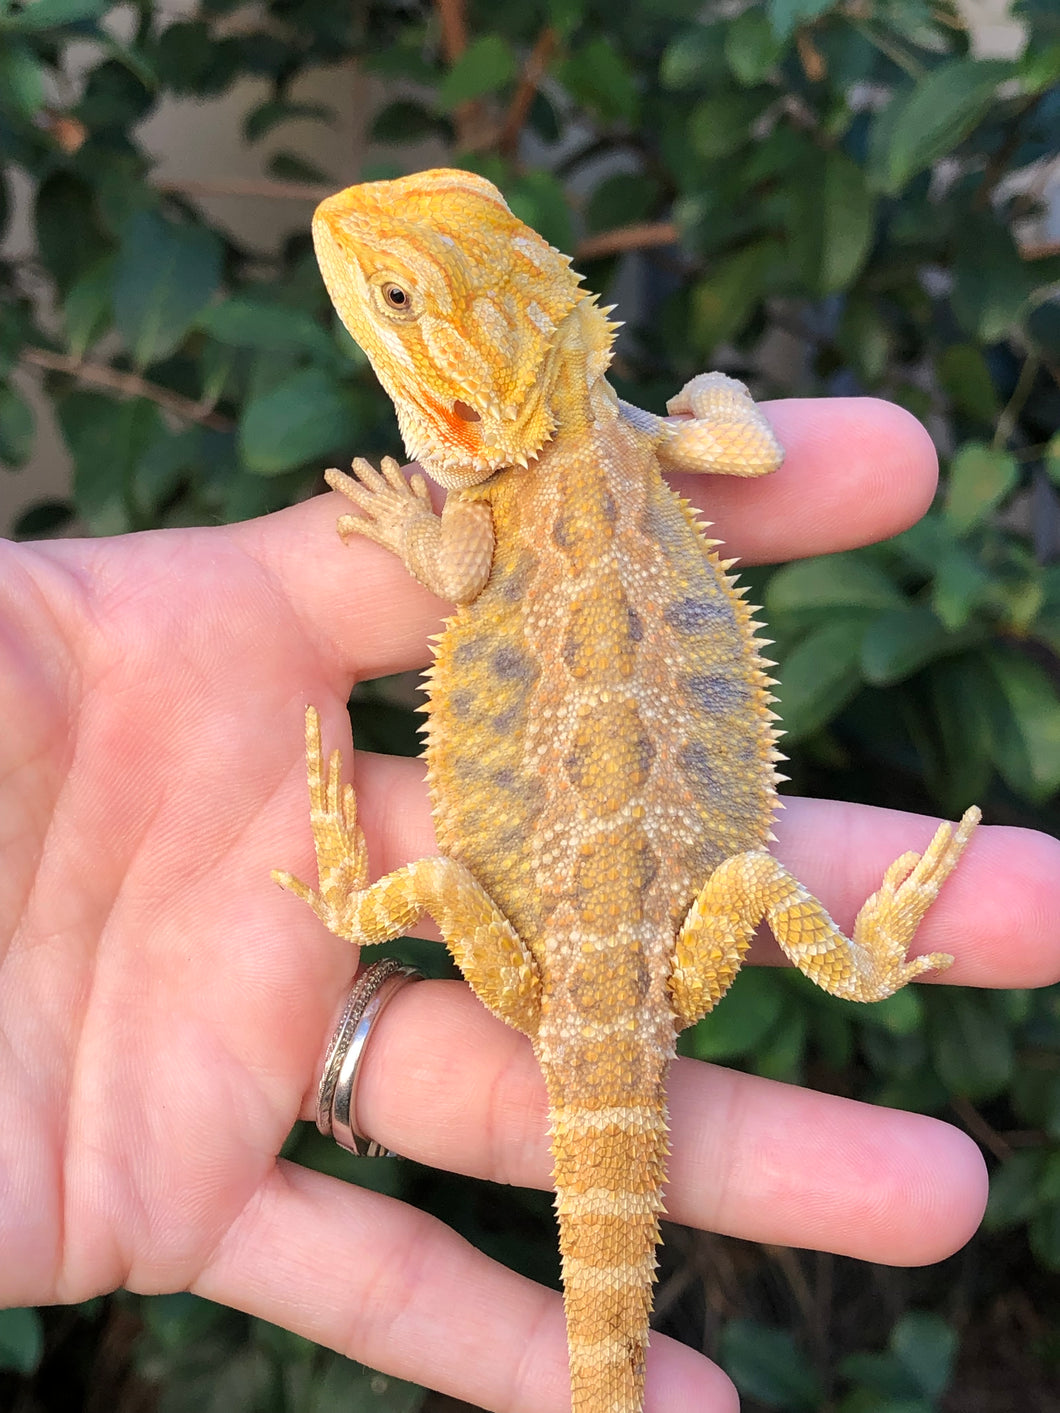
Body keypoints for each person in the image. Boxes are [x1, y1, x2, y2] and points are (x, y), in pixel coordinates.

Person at [2, 397, 1057, 1413]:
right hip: (612, 978)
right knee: (726, 880)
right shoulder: (584, 457)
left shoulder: (583, 453)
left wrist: (423, 532)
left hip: (563, 986)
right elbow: (732, 437)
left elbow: (486, 551)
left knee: (514, 885)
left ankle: (362, 905)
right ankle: (856, 967)